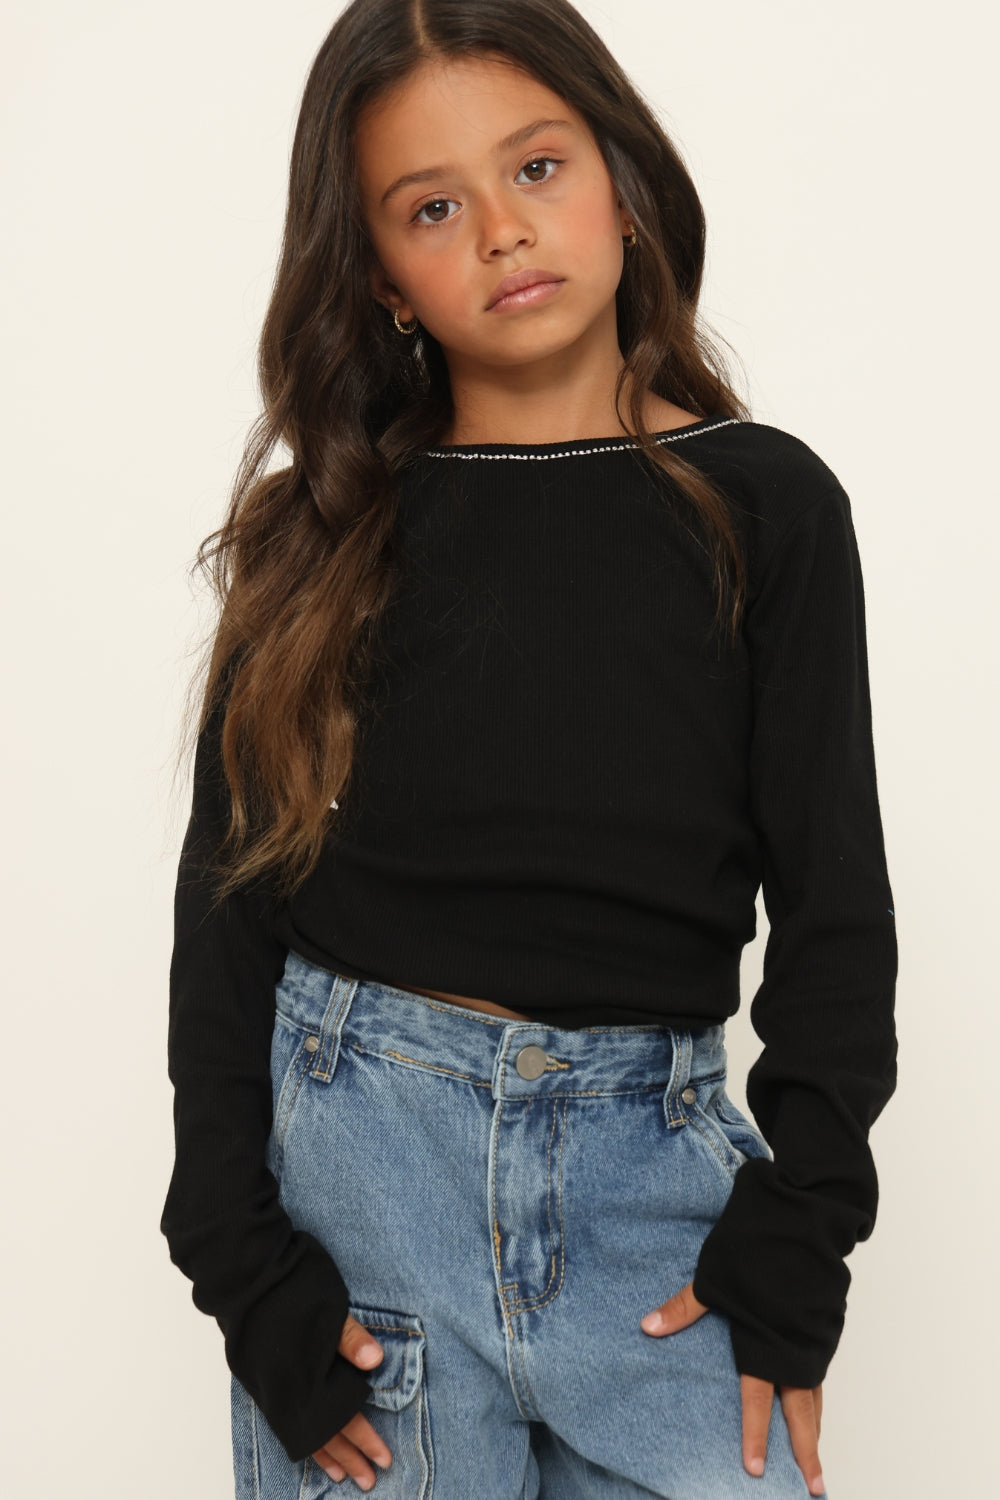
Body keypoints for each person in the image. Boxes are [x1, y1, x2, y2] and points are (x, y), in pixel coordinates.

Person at [160, 1, 897, 1495]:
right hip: (366, 1196)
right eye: (433, 207)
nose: (502, 229)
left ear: (623, 179)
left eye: (537, 168)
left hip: (656, 1203)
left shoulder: (769, 508)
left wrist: (801, 1229)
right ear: (381, 278)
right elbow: (229, 907)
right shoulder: (321, 530)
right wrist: (238, 1261)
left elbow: (837, 907)